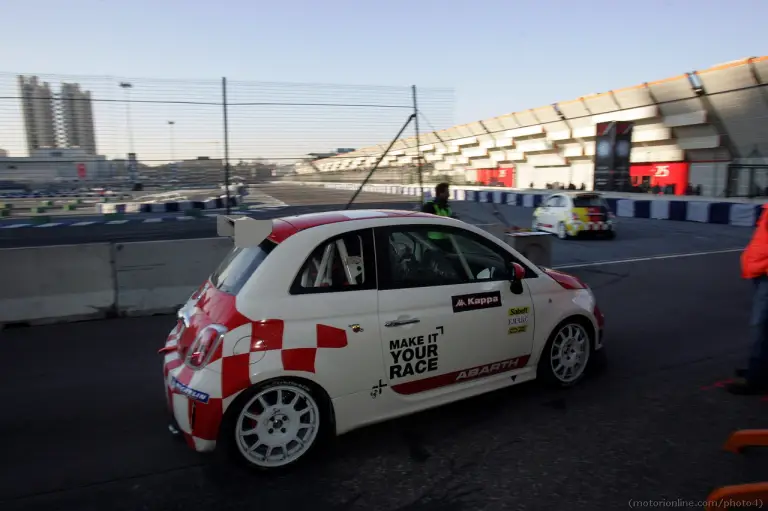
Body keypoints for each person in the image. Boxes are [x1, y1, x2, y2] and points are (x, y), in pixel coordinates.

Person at [727, 204, 768, 395]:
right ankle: (760, 369)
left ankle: (756, 377)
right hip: (760, 270)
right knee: (763, 326)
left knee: (760, 325)